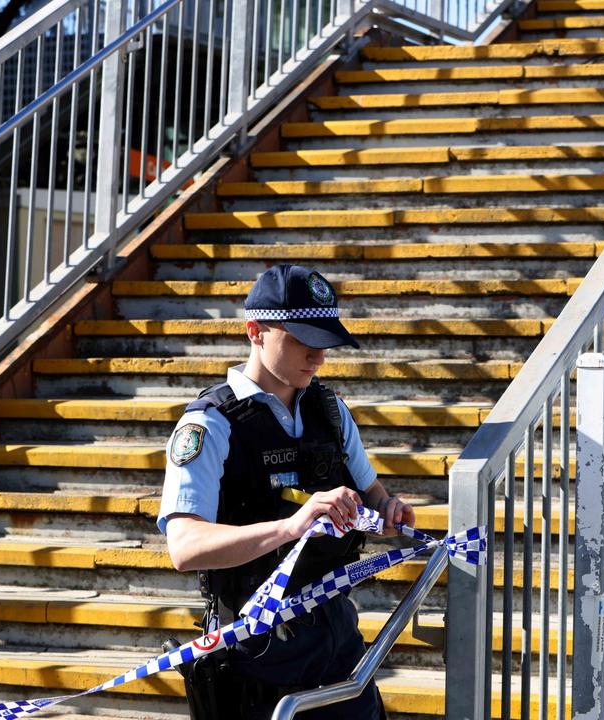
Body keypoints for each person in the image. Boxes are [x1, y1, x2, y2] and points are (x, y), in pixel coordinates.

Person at [157, 264, 414, 720]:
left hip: (339, 643)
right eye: (302, 339)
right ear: (255, 331)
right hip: (258, 654)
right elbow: (184, 547)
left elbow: (372, 492)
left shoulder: (331, 410)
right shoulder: (209, 424)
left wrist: (387, 510)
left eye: (325, 342)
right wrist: (291, 527)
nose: (317, 356)